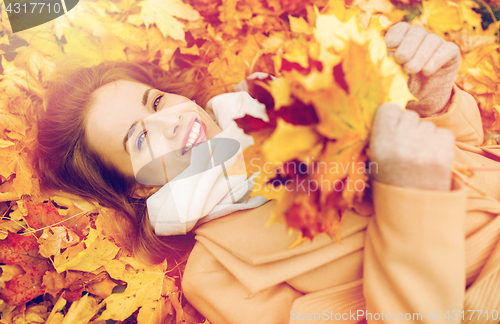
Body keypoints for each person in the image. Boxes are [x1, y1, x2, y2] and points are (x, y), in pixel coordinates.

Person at [35, 22, 500, 324]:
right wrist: (411, 199)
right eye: (139, 138)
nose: (169, 120)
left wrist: (434, 100)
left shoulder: (292, 100)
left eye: (155, 101)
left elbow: (466, 159)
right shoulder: (216, 275)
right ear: (141, 186)